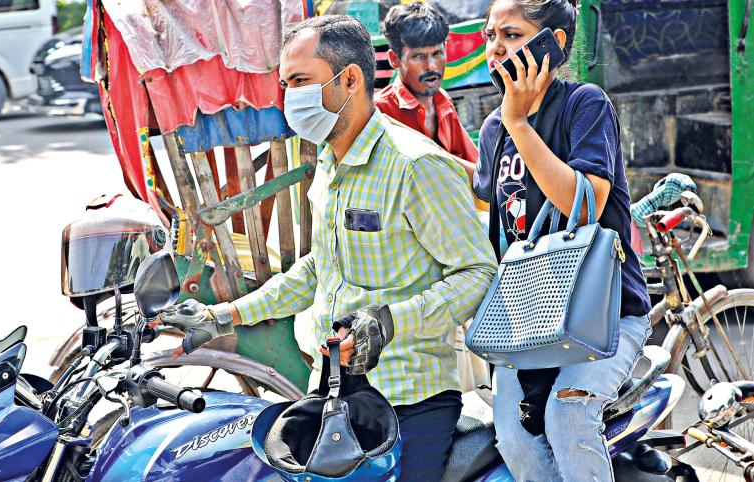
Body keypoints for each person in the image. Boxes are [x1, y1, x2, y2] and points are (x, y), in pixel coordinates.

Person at [164, 15, 497, 482]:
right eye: (284, 84)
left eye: (300, 81)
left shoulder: (416, 166)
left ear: (352, 79)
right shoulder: (328, 161)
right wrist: (224, 316)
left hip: (409, 402)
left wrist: (388, 322)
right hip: (336, 394)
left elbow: (479, 273)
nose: (289, 98)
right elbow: (320, 268)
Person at [472, 0, 652, 480]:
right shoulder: (493, 129)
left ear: (553, 42)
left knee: (567, 416)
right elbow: (487, 221)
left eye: (511, 35)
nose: (496, 49)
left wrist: (519, 125)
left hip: (605, 315)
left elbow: (584, 201)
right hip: (527, 323)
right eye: (491, 36)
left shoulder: (584, 105)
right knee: (512, 438)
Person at [376, 2, 479, 177]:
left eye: (437, 53)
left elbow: (477, 170)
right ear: (394, 59)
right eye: (418, 56)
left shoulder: (442, 101)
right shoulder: (379, 111)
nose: (431, 66)